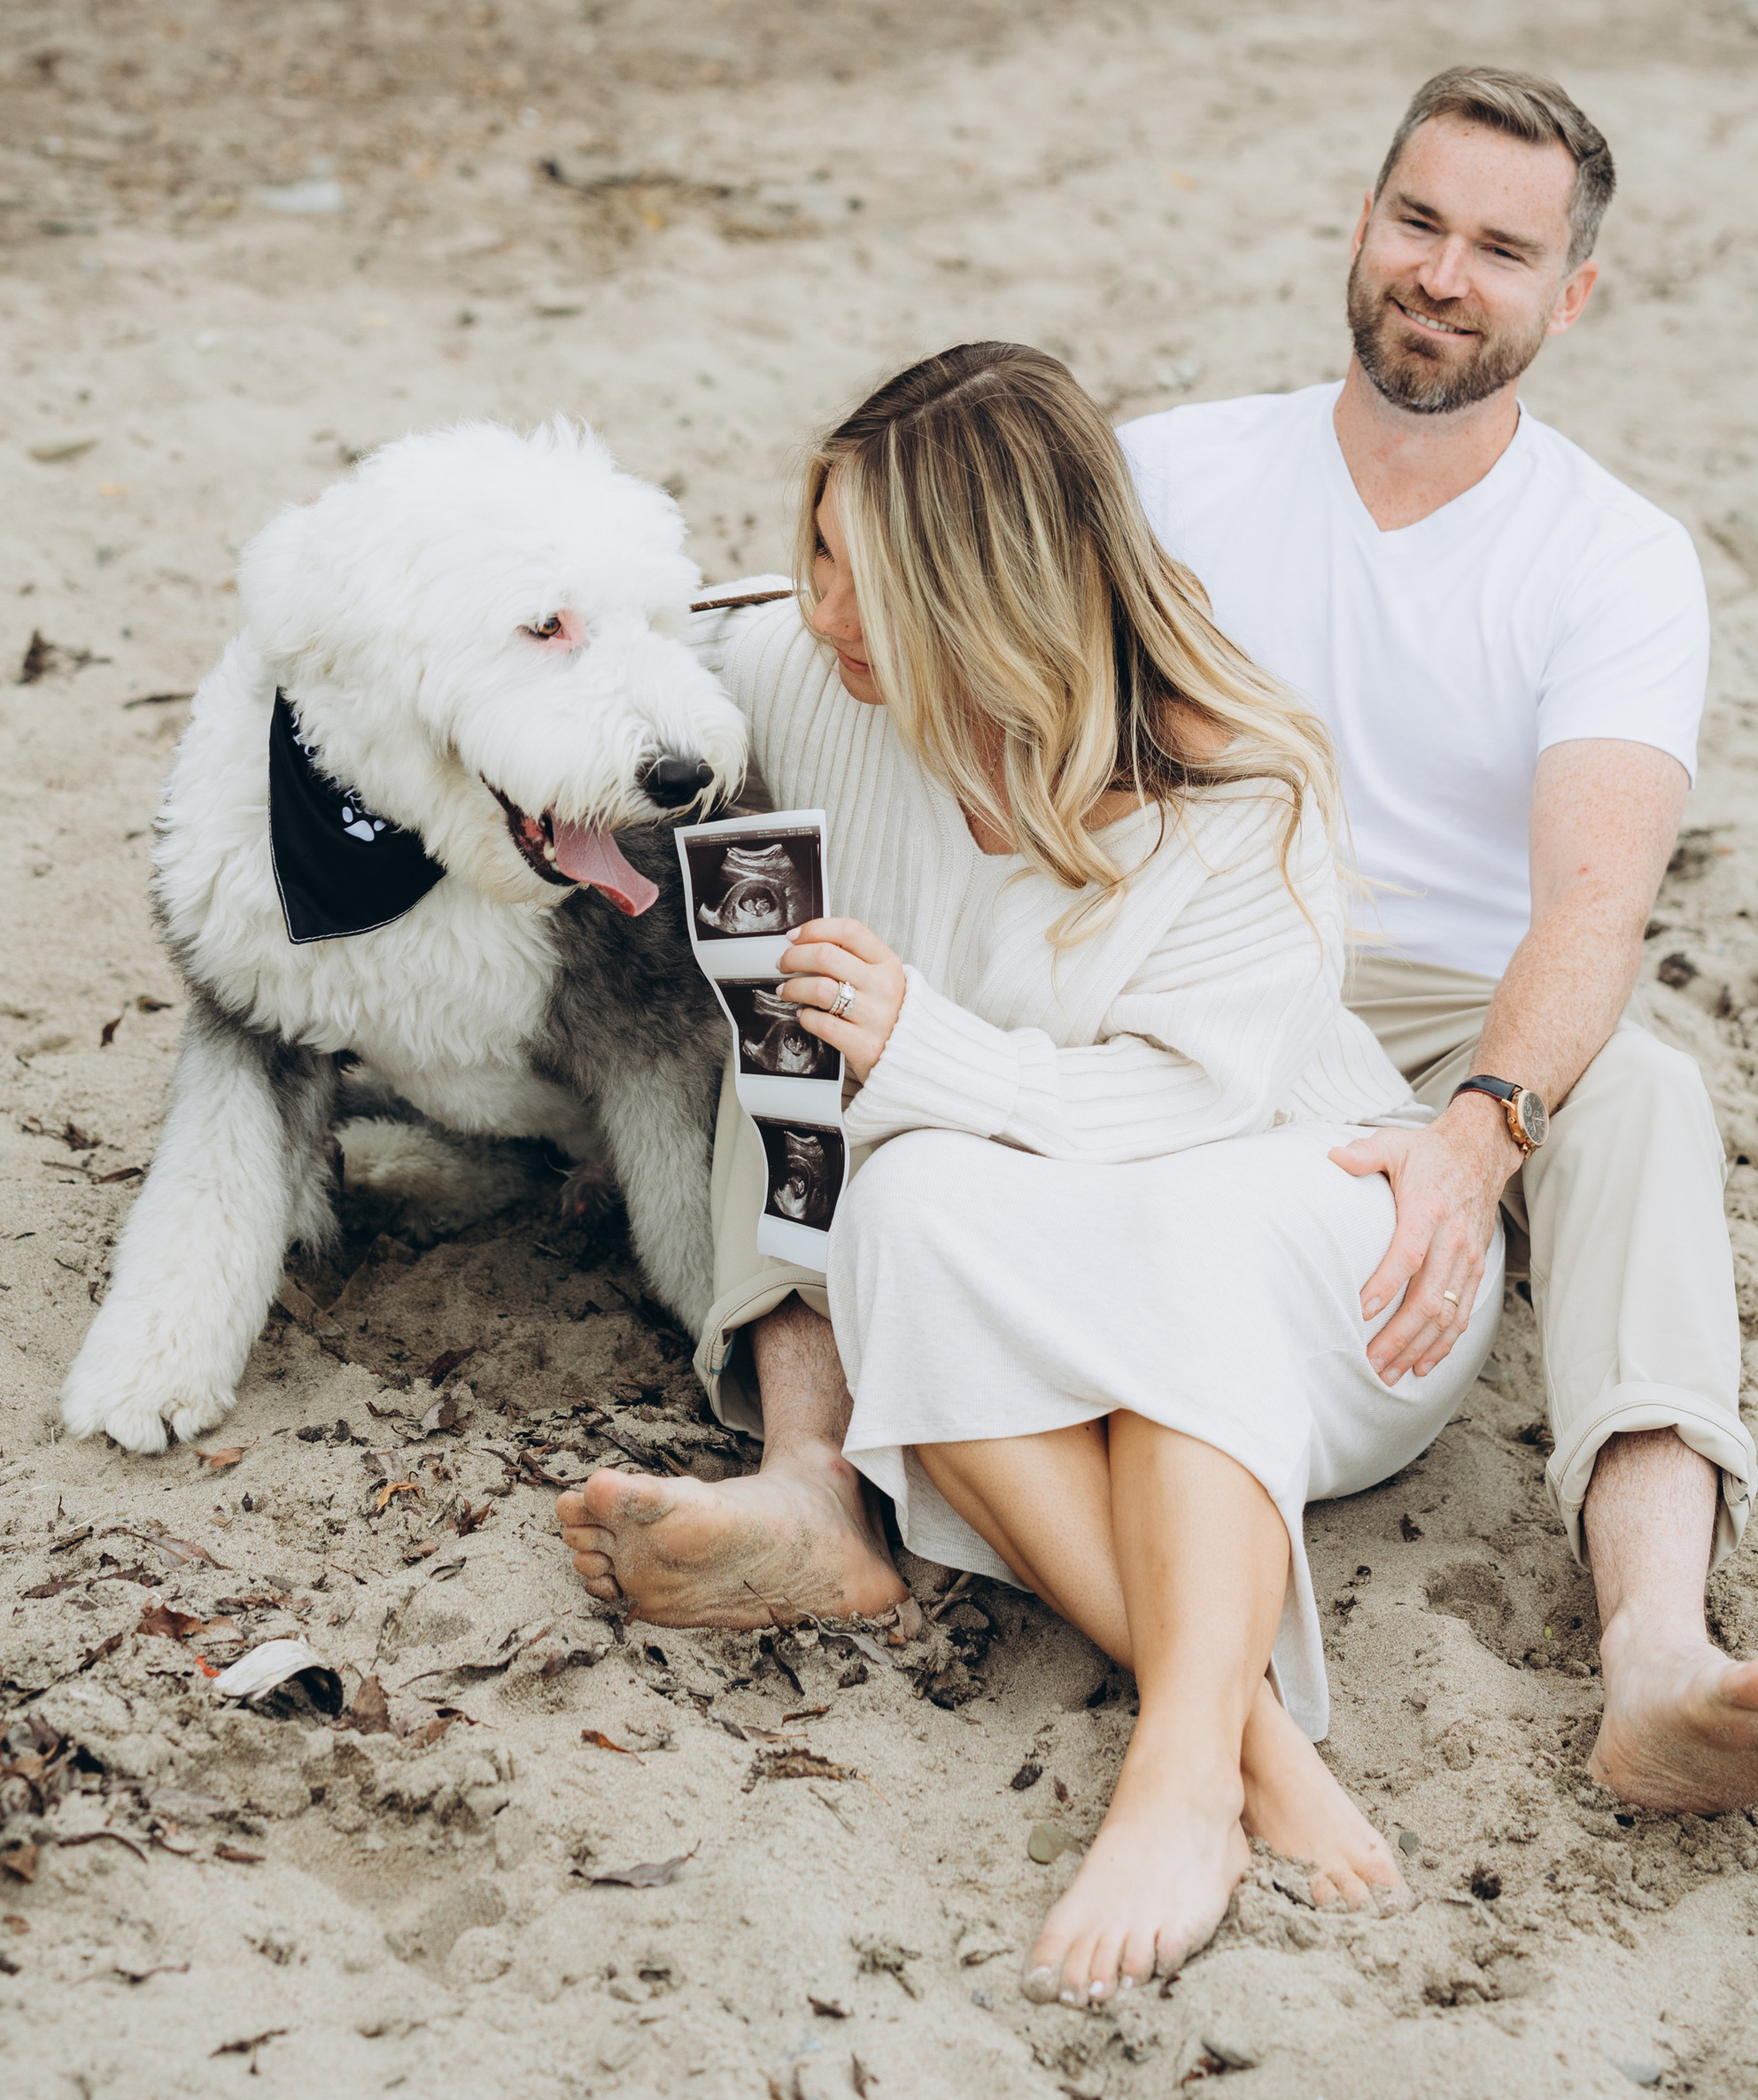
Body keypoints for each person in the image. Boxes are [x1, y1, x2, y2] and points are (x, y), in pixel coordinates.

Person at [559, 66, 1758, 1822]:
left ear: (1571, 293)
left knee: (1637, 1093)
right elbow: (955, 605)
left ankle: (1651, 1642)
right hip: (1157, 931)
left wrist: (1474, 1140)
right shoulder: (1172, 470)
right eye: (1416, 221)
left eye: (1498, 247)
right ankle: (811, 1473)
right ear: (1361, 226)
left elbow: (1590, 907)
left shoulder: (1610, 557)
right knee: (807, 956)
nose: (1441, 272)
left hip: (1430, 985)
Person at [565, 343, 1503, 1998]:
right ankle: (1249, 1739)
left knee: (1155, 1225)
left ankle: (1170, 1779)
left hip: (1313, 1241)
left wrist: (924, 1046)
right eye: (818, 548)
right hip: (1037, 1255)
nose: (820, 605)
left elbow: (1185, 1113)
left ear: (977, 593)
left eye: (858, 570)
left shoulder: (1239, 781)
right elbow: (631, 644)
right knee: (905, 1203)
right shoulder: (821, 674)